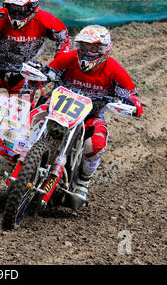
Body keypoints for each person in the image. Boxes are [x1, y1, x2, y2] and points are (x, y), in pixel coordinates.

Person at [42, 24, 143, 207]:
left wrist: (133, 106)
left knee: (95, 144)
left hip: (91, 116)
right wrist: (40, 74)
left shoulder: (114, 69)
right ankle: (22, 154)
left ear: (104, 49)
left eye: (94, 48)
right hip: (58, 109)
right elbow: (49, 72)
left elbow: (131, 96)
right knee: (35, 113)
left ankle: (83, 181)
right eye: (84, 47)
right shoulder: (69, 58)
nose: (88, 53)